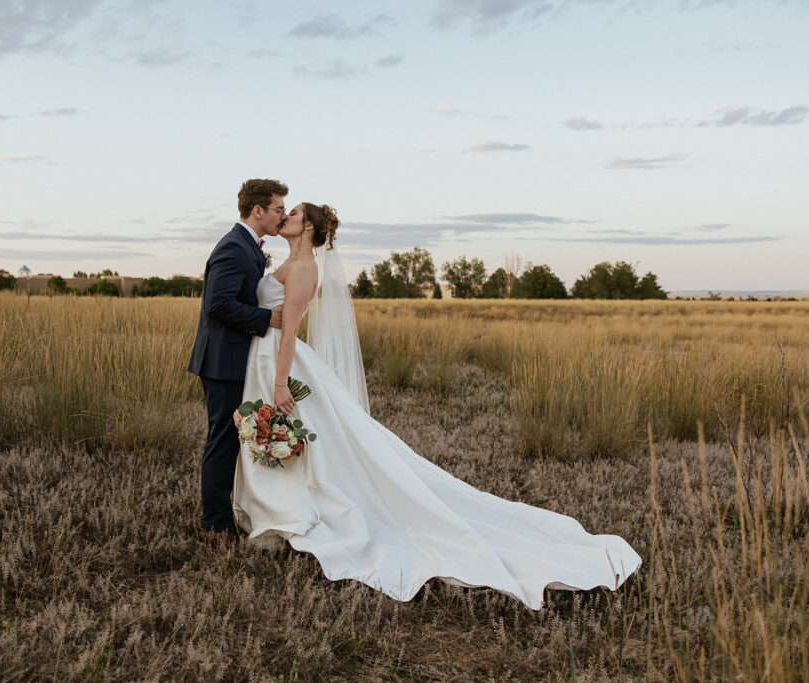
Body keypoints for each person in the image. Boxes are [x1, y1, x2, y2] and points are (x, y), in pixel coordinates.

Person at [229, 201, 642, 609]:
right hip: (263, 359)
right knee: (291, 437)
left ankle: (287, 510)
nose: (286, 217)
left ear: (308, 229)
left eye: (295, 214)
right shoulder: (285, 262)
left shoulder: (303, 269)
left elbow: (291, 331)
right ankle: (275, 505)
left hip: (281, 364)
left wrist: (282, 382)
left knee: (299, 435)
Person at [187, 178, 288, 547]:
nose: (282, 215)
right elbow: (217, 304)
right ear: (257, 210)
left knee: (233, 439)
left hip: (236, 359)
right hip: (222, 362)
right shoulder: (233, 247)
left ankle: (233, 513)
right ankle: (214, 526)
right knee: (223, 440)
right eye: (278, 209)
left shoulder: (249, 246)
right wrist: (267, 319)